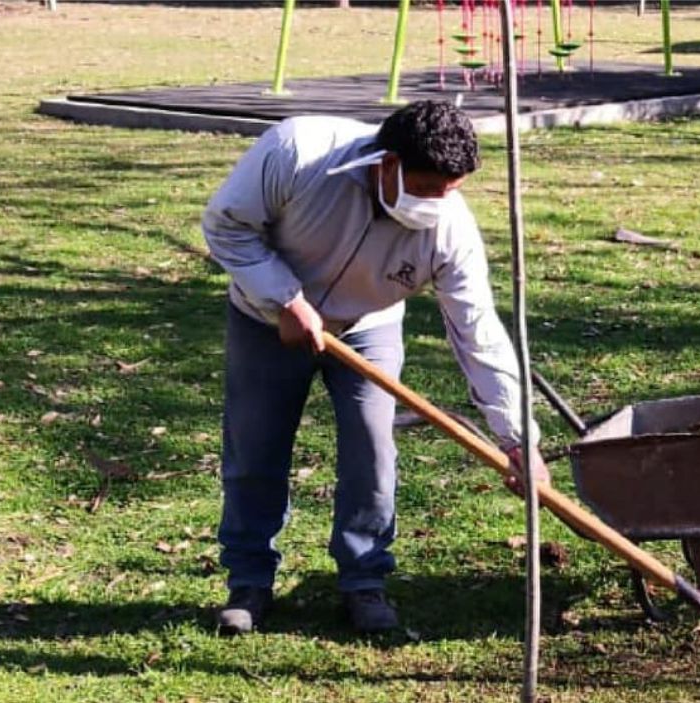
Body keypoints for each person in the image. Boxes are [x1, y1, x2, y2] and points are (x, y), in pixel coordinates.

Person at [201, 100, 549, 636]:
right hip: (266, 322)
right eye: (428, 186)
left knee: (372, 449)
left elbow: (478, 332)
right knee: (255, 447)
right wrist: (283, 299)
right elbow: (226, 226)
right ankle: (248, 581)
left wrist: (516, 438)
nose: (437, 202)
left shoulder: (450, 232)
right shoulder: (297, 153)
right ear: (386, 163)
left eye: (450, 190)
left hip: (369, 325)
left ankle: (364, 580)